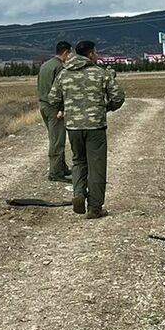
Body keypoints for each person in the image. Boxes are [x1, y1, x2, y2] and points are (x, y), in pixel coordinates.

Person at [46, 40, 125, 218]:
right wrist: (105, 108)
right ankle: (95, 208)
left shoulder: (64, 74)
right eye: (95, 53)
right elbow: (118, 97)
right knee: (96, 166)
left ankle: (78, 194)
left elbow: (52, 99)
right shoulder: (100, 73)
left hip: (73, 127)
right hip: (95, 126)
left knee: (79, 161)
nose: (96, 56)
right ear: (90, 54)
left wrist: (66, 108)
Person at [36, 41, 73, 181]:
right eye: (70, 53)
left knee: (54, 137)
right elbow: (60, 91)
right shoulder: (59, 67)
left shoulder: (45, 65)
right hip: (54, 108)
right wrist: (61, 108)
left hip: (43, 105)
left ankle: (62, 167)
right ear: (66, 53)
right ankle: (55, 173)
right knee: (57, 141)